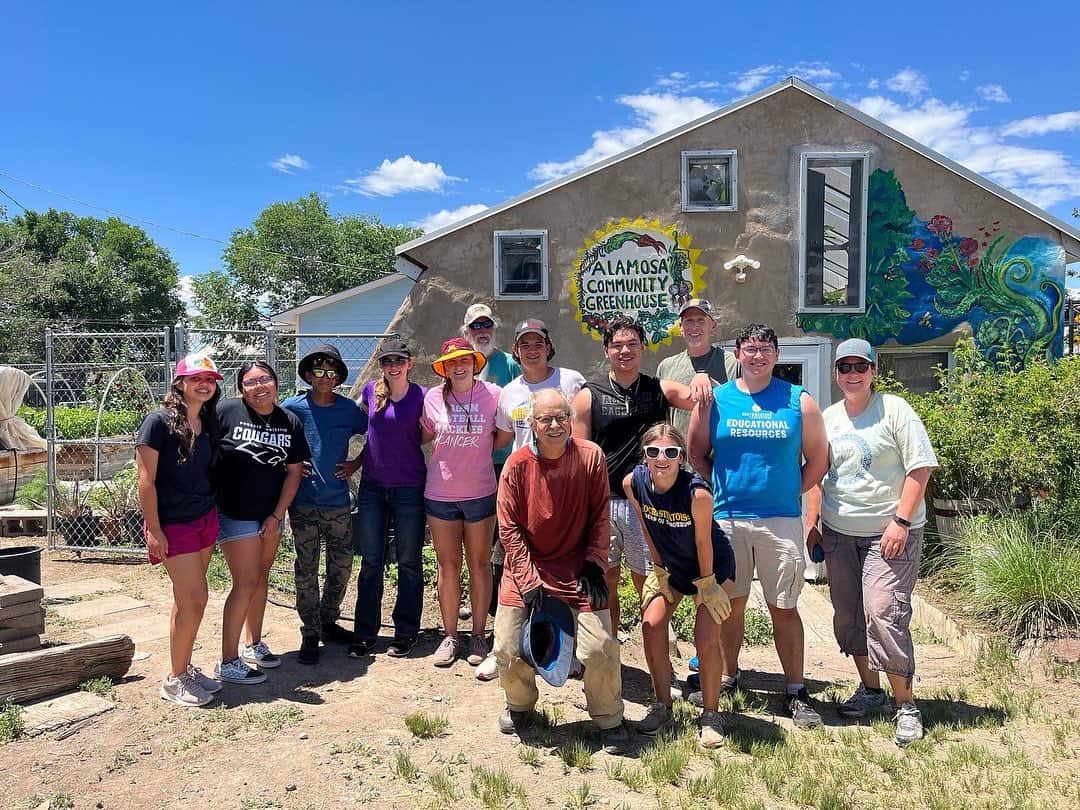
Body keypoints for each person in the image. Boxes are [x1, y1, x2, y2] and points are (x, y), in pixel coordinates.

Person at [689, 323, 829, 728]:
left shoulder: (798, 401)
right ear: (737, 353)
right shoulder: (717, 399)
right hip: (728, 519)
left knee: (783, 607)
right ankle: (730, 676)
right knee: (729, 607)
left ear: (776, 354)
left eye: (765, 348)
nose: (757, 356)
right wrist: (719, 491)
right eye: (749, 348)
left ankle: (795, 690)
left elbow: (819, 461)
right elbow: (698, 453)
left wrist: (788, 492)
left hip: (780, 520)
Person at [805, 338, 938, 747]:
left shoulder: (895, 410)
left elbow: (920, 468)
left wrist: (900, 520)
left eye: (859, 366)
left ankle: (906, 705)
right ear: (835, 374)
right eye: (844, 367)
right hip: (840, 533)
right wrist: (813, 525)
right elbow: (817, 475)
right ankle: (871, 690)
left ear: (873, 371)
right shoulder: (828, 418)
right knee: (849, 617)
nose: (851, 373)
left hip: (890, 534)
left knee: (883, 611)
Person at [495, 388, 628, 753]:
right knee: (506, 648)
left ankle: (608, 717)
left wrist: (595, 564)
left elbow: (601, 515)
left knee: (601, 648)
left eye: (560, 417)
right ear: (532, 424)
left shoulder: (590, 457)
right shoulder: (517, 466)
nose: (554, 425)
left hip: (579, 569)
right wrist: (527, 580)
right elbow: (509, 529)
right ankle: (520, 706)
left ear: (570, 419)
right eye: (545, 419)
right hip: (528, 570)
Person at [570, 315, 702, 634]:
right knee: (607, 580)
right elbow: (580, 456)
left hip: (648, 504)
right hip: (606, 502)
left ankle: (658, 654)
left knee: (650, 581)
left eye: (632, 344)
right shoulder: (590, 394)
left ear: (642, 347)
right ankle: (610, 652)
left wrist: (703, 379)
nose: (625, 351)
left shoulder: (659, 388)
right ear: (606, 351)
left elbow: (701, 399)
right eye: (617, 345)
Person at [477, 319, 586, 681]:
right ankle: (504, 646)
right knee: (509, 562)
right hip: (524, 490)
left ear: (548, 346)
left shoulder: (570, 381)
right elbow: (503, 439)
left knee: (566, 565)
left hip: (565, 487)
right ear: (516, 350)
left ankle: (566, 652)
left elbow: (584, 429)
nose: (532, 349)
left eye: (537, 342)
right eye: (524, 344)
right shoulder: (509, 392)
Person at [623, 424, 736, 747]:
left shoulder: (697, 494)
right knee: (651, 623)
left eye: (670, 452)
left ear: (681, 458)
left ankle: (711, 714)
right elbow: (647, 527)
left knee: (705, 636)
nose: (662, 458)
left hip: (712, 568)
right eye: (653, 451)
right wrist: (658, 570)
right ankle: (663, 705)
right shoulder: (633, 484)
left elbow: (703, 542)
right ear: (644, 456)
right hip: (673, 567)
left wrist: (707, 585)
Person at [213, 361, 309, 684]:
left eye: (265, 379)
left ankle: (253, 643)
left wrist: (277, 514)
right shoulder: (225, 411)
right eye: (251, 382)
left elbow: (295, 471)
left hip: (271, 514)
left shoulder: (289, 421)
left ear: (276, 384)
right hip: (235, 513)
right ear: (241, 388)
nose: (259, 386)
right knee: (245, 582)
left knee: (260, 577)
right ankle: (227, 660)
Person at [136, 354, 223, 707]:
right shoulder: (158, 422)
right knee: (195, 599)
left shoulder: (207, 421)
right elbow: (146, 480)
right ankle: (174, 680)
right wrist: (154, 530)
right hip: (173, 523)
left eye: (210, 379)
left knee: (186, 601)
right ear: (180, 382)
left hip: (204, 517)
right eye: (196, 378)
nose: (204, 384)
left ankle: (182, 668)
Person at [421, 337, 514, 668]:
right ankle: (450, 636)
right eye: (452, 362)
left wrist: (479, 455)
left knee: (479, 564)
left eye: (465, 360)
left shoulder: (494, 395)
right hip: (441, 493)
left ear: (475, 363)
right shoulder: (433, 397)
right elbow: (425, 434)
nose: (459, 366)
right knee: (447, 566)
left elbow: (504, 436)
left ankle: (477, 634)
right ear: (444, 368)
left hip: (479, 491)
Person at [281, 345, 368, 665]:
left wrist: (356, 463)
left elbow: (380, 434)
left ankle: (328, 621)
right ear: (307, 375)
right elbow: (272, 438)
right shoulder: (292, 408)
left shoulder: (348, 410)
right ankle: (310, 630)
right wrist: (286, 464)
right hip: (302, 503)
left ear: (339, 378)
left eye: (331, 373)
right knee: (306, 569)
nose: (324, 378)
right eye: (318, 372)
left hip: (337, 503)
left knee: (341, 566)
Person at [349, 339, 427, 659]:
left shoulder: (423, 396)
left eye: (398, 360)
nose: (392, 366)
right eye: (386, 361)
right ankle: (366, 633)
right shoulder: (371, 391)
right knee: (371, 562)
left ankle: (406, 632)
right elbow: (371, 435)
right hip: (372, 488)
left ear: (409, 363)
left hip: (409, 488)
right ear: (380, 366)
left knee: (409, 562)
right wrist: (355, 463)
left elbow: (427, 434)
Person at [462, 304, 520, 634]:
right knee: (474, 538)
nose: (481, 330)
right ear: (466, 330)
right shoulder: (460, 364)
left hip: (502, 463)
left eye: (486, 324)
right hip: (468, 465)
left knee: (503, 534)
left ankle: (502, 602)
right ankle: (479, 601)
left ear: (494, 329)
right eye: (475, 325)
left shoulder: (508, 364)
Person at [657, 298, 737, 439]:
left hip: (719, 458)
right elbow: (661, 420)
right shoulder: (666, 366)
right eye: (689, 321)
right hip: (678, 458)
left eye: (701, 320)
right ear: (681, 327)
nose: (694, 327)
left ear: (713, 326)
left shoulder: (732, 363)